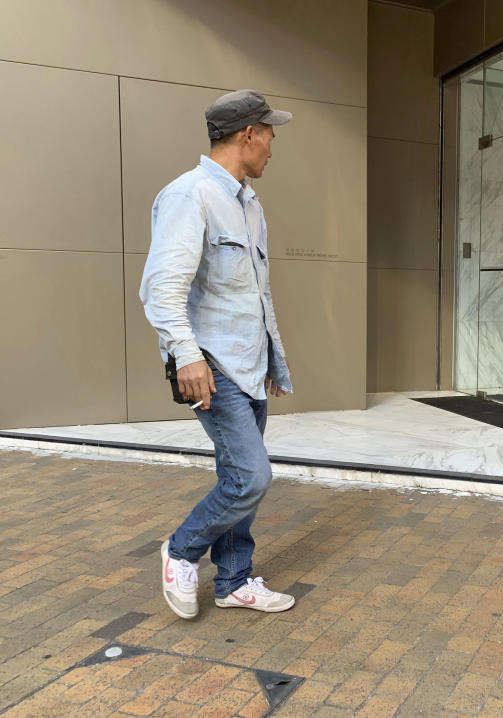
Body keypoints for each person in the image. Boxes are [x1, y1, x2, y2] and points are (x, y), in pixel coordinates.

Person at [141, 90, 296, 619]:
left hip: (249, 366)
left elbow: (256, 292)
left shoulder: (249, 204)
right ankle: (180, 550)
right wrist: (186, 357)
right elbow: (161, 289)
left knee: (236, 476)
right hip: (210, 366)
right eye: (271, 133)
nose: (274, 145)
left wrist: (273, 360)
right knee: (251, 477)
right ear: (249, 133)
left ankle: (233, 581)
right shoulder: (190, 196)